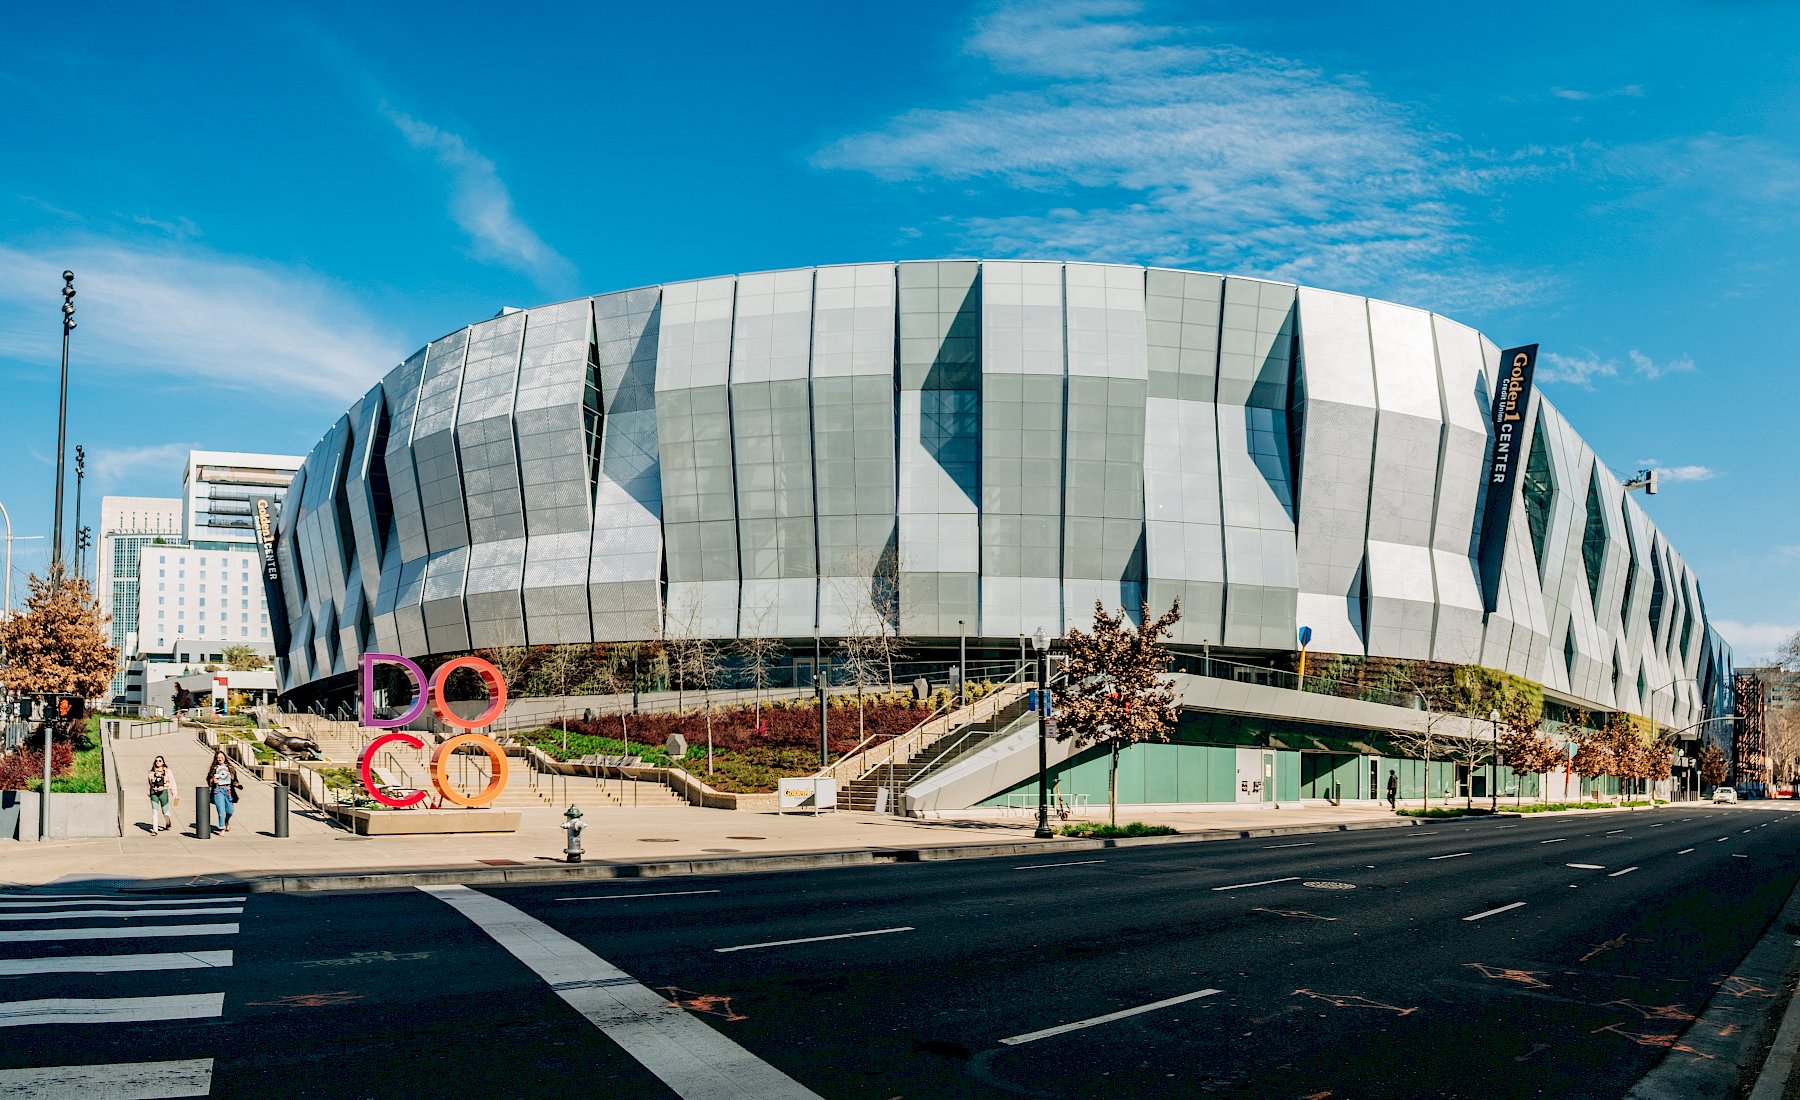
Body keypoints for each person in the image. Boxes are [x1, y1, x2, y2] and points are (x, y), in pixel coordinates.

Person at [207, 749, 238, 834]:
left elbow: (235, 780)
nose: (220, 759)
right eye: (218, 757)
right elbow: (208, 780)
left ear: (224, 758)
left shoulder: (230, 768)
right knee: (221, 810)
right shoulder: (214, 768)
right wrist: (212, 780)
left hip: (228, 790)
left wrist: (236, 783)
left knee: (230, 810)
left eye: (221, 757)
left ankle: (226, 821)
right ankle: (222, 828)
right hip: (218, 790)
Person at [148, 756, 174, 834]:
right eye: (156, 761)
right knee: (154, 811)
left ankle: (168, 821)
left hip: (163, 792)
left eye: (160, 761)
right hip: (154, 793)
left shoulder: (168, 771)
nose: (158, 762)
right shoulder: (151, 773)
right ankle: (155, 830)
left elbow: (172, 783)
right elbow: (149, 783)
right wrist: (148, 791)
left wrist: (174, 794)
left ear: (163, 762)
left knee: (165, 812)